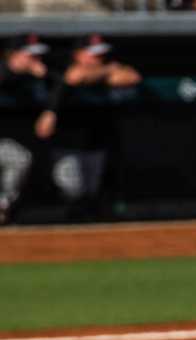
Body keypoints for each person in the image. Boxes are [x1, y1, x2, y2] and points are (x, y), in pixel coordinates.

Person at [45, 34, 140, 219]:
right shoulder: (65, 68)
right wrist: (107, 72)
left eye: (101, 55)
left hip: (96, 146)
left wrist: (101, 73)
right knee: (73, 194)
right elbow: (75, 77)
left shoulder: (106, 67)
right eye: (93, 54)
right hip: (67, 146)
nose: (99, 59)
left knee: (92, 197)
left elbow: (132, 77)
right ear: (78, 55)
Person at [0, 34, 53, 225]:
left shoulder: (36, 77)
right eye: (30, 56)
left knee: (20, 159)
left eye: (38, 56)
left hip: (8, 141)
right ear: (13, 55)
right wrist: (14, 71)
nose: (35, 61)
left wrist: (50, 111)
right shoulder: (5, 72)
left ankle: (3, 206)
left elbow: (63, 82)